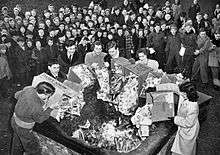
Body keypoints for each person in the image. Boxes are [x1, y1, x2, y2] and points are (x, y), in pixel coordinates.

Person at [11, 82, 58, 155]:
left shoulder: (29, 89)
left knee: (17, 140)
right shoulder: (36, 106)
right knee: (32, 147)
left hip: (14, 120)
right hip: (24, 128)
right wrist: (50, 109)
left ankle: (15, 152)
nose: (48, 98)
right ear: (43, 94)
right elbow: (39, 119)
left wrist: (24, 106)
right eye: (47, 96)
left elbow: (16, 95)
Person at [171, 81, 200, 155]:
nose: (181, 94)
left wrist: (175, 119)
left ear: (189, 94)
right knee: (182, 148)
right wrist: (156, 88)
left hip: (188, 130)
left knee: (185, 150)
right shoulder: (185, 95)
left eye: (183, 93)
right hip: (185, 126)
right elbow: (172, 87)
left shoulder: (193, 107)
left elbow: (188, 123)